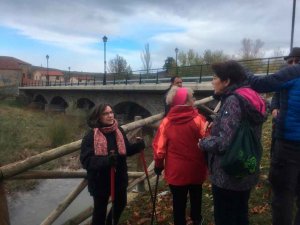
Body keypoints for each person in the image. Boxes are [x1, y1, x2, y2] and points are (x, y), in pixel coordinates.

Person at [198, 60, 266, 225]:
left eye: (215, 77)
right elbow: (239, 125)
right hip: (246, 165)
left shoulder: (233, 101)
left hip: (228, 174)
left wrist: (203, 143)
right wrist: (219, 120)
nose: (212, 81)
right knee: (240, 213)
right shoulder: (251, 95)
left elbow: (223, 143)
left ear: (226, 81)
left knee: (225, 217)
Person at [247, 47, 300, 225]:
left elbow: (260, 84)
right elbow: (277, 94)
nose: (291, 64)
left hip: (290, 145)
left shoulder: (293, 73)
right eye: (289, 61)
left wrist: (243, 71)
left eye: (295, 60)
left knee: (283, 195)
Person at [80, 103, 145, 225]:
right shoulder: (90, 136)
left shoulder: (118, 131)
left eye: (111, 112)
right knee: (100, 213)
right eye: (105, 113)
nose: (110, 116)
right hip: (100, 181)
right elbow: (86, 161)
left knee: (120, 205)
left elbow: (125, 151)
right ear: (98, 116)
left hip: (119, 178)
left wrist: (138, 147)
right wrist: (106, 161)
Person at [153, 86, 208, 225]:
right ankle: (196, 219)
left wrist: (158, 166)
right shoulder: (198, 119)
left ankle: (180, 221)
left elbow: (159, 149)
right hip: (196, 167)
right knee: (196, 195)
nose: (194, 100)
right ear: (187, 101)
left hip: (176, 171)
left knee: (178, 200)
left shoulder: (166, 122)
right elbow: (207, 140)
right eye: (192, 98)